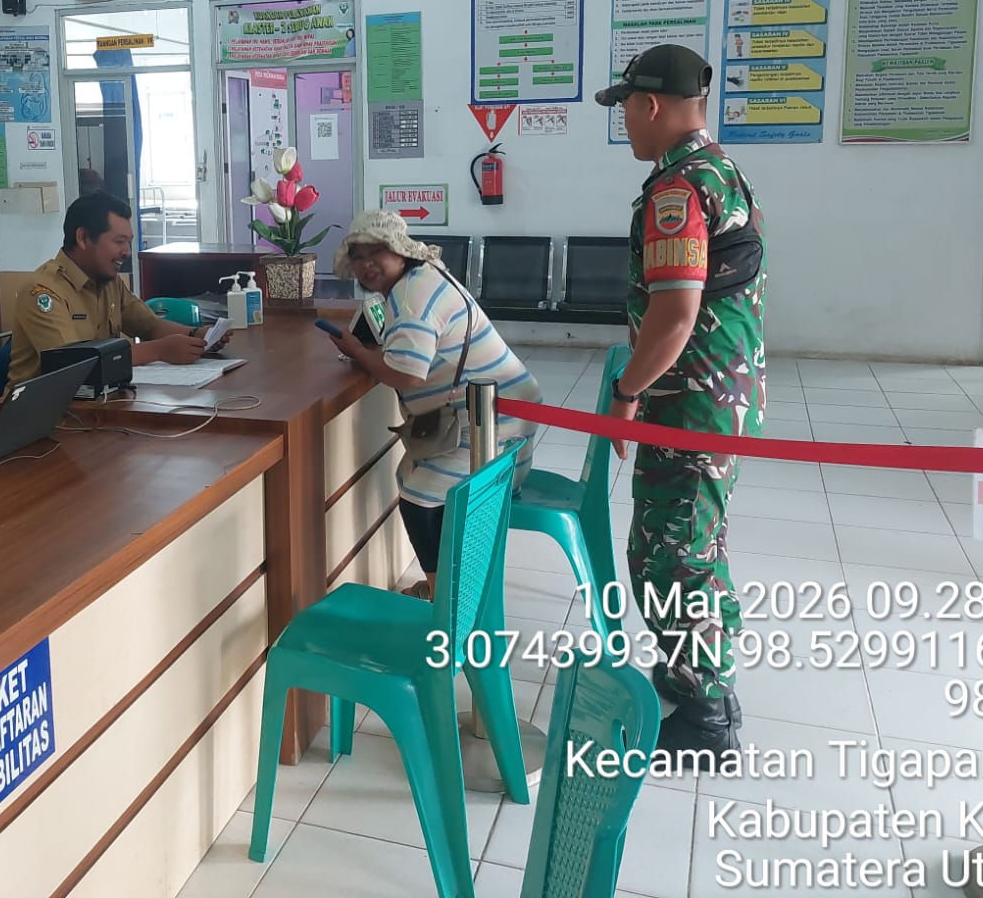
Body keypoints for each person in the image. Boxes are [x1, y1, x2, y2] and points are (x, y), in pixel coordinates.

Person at [594, 43, 766, 769]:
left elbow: (674, 315)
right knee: (693, 546)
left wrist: (626, 393)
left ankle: (707, 716)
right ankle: (692, 677)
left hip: (691, 405)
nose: (626, 121)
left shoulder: (678, 189)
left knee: (673, 557)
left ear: (652, 104)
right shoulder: (721, 171)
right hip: (719, 397)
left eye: (627, 108)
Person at [324, 211, 541, 601]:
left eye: (377, 252)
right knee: (411, 474)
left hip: (494, 429)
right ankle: (447, 584)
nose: (367, 264)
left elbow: (406, 374)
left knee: (419, 500)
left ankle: (446, 601)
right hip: (497, 417)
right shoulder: (422, 276)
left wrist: (358, 352)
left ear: (400, 252)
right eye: (358, 256)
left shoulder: (411, 299)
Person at [9, 191, 229, 383]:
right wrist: (159, 350)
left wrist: (196, 336)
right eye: (119, 241)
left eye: (129, 242)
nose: (127, 252)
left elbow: (149, 326)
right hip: (41, 410)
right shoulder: (43, 291)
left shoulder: (108, 280)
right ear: (83, 238)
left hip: (101, 400)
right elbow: (74, 363)